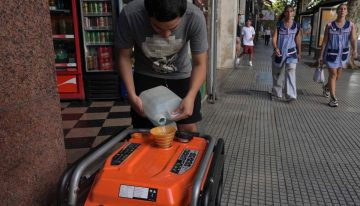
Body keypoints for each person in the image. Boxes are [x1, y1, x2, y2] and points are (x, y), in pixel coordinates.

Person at [115, 0, 208, 132]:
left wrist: (191, 96)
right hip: (145, 76)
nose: (166, 35)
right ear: (148, 14)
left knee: (187, 127)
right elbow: (124, 57)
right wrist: (131, 94)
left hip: (181, 76)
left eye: (173, 28)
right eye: (157, 27)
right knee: (145, 130)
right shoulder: (131, 15)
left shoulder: (195, 17)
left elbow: (200, 63)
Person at [318, 3, 357, 107]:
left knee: (338, 76)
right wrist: (321, 56)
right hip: (331, 54)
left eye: (345, 9)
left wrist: (354, 50)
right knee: (333, 75)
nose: (342, 10)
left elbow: (353, 39)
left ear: (347, 12)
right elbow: (325, 41)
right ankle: (333, 98)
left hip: (343, 55)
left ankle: (326, 87)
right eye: (340, 9)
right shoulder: (330, 25)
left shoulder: (351, 25)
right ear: (337, 11)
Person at [271, 5, 302, 101]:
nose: (289, 13)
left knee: (291, 71)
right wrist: (275, 47)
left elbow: (298, 39)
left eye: (291, 11)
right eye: (287, 11)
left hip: (292, 52)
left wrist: (299, 52)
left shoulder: (296, 25)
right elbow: (274, 37)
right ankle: (277, 92)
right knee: (277, 73)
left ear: (293, 13)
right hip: (279, 52)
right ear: (285, 13)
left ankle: (291, 95)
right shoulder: (279, 25)